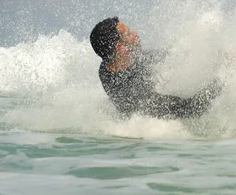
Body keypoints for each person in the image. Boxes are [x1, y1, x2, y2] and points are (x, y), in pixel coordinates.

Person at [89, 17, 223, 120]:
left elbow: (165, 56)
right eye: (129, 33)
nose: (135, 33)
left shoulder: (109, 64)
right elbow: (192, 109)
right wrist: (224, 78)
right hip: (151, 122)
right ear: (120, 47)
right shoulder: (137, 96)